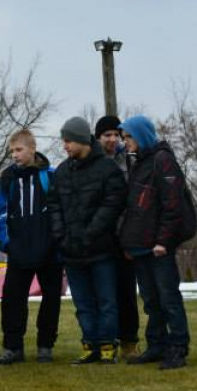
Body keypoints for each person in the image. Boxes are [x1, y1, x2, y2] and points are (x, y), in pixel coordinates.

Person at [47, 117, 127, 364]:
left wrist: (90, 232)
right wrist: (61, 235)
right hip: (71, 250)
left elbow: (112, 205)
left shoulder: (107, 169)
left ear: (82, 140)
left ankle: (107, 345)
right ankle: (89, 344)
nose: (65, 146)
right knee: (82, 303)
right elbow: (53, 205)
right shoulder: (62, 171)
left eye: (69, 140)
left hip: (101, 249)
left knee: (106, 300)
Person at [118, 115, 192, 370]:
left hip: (158, 247)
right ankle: (157, 345)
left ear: (141, 135)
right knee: (151, 301)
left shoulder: (163, 161)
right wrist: (129, 243)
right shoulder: (138, 163)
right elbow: (133, 208)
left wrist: (163, 241)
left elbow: (172, 205)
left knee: (168, 298)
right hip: (140, 246)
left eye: (129, 136)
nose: (125, 142)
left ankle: (178, 347)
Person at [0, 129, 62, 364]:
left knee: (51, 298)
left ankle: (45, 346)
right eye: (12, 151)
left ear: (32, 149)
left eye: (19, 150)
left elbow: (59, 211)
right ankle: (12, 347)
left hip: (48, 249)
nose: (15, 155)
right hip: (19, 249)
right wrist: (7, 243)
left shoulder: (50, 175)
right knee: (12, 298)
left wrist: (56, 240)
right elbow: (0, 212)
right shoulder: (8, 178)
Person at [96, 115, 141, 358]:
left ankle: (129, 341)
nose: (113, 140)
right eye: (107, 135)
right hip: (100, 235)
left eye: (117, 135)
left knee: (126, 292)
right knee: (103, 295)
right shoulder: (91, 161)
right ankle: (104, 342)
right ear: (98, 138)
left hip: (125, 234)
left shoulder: (131, 160)